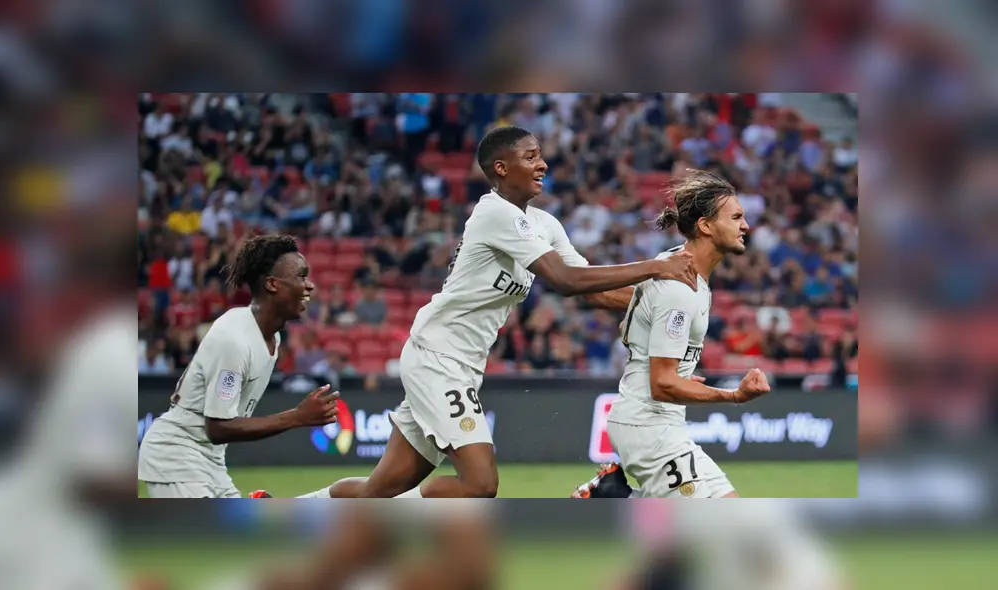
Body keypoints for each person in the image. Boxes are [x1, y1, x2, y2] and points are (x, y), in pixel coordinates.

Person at [289, 125, 698, 499]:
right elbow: (563, 280)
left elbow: (589, 287)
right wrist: (657, 267)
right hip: (438, 356)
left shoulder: (543, 223)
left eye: (541, 155)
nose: (543, 163)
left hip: (462, 363)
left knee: (381, 490)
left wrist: (662, 305)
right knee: (481, 485)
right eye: (531, 156)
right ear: (501, 168)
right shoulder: (494, 213)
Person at [572, 169, 771, 499]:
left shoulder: (679, 269)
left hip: (661, 423)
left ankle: (610, 494)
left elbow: (637, 313)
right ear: (705, 225)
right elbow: (662, 384)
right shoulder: (679, 286)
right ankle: (608, 498)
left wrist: (679, 372)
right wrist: (735, 396)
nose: (745, 226)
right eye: (736, 217)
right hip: (648, 427)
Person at [138, 234, 340, 498]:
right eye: (301, 276)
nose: (310, 285)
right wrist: (297, 417)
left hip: (211, 460)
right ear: (272, 284)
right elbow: (217, 427)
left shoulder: (273, 337)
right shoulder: (235, 340)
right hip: (178, 455)